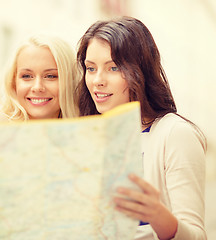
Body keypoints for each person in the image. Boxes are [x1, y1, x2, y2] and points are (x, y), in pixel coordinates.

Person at [76, 16, 206, 239]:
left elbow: (197, 235)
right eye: (90, 68)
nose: (97, 80)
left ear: (140, 70)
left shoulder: (175, 134)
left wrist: (157, 215)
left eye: (113, 68)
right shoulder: (90, 135)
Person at [0, 35, 80, 122]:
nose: (37, 87)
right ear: (14, 82)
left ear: (71, 80)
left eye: (50, 76)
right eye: (27, 76)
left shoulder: (85, 133)